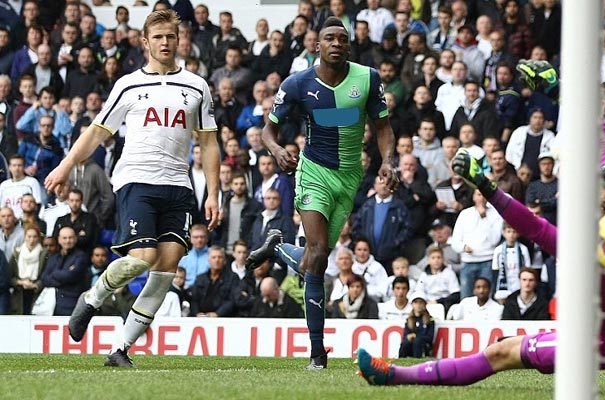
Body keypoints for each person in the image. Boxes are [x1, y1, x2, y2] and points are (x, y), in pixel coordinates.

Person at [355, 150, 605, 394]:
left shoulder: (594, 251)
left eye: (603, 205)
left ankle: (392, 375)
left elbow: (532, 226)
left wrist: (485, 185)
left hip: (595, 345)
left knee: (500, 353)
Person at [44, 10, 219, 368]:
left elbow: (210, 142)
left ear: (179, 39)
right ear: (145, 42)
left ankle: (120, 349)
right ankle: (91, 299)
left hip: (178, 185)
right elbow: (96, 131)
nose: (166, 43)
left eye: (171, 36)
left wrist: (213, 192)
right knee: (144, 258)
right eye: (158, 37)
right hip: (137, 180)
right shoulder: (128, 84)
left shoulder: (197, 85)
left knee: (166, 267)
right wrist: (64, 166)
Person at [246, 17, 397, 370]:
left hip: (349, 178)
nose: (336, 44)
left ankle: (278, 246)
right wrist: (278, 150)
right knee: (315, 254)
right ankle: (317, 353)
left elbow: (383, 127)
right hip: (314, 172)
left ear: (348, 45)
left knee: (315, 262)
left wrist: (388, 161)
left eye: (342, 39)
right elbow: (269, 131)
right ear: (317, 45)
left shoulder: (367, 78)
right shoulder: (298, 84)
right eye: (329, 38)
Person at [9, 225, 46, 315]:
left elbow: (47, 274)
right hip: (19, 294)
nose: (31, 240)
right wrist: (20, 282)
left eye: (34, 236)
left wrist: (35, 285)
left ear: (38, 238)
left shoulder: (44, 254)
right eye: (29, 236)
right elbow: (10, 276)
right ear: (25, 237)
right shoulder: (16, 253)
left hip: (37, 294)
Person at [398, 291, 434, 358]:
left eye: (421, 302)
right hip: (411, 346)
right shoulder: (409, 319)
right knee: (406, 342)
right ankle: (401, 359)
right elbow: (405, 336)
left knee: (417, 341)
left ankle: (417, 359)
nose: (418, 305)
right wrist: (409, 337)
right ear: (412, 304)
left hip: (424, 347)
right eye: (416, 302)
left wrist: (416, 336)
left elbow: (430, 338)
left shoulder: (430, 320)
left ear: (425, 304)